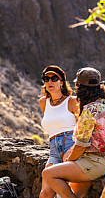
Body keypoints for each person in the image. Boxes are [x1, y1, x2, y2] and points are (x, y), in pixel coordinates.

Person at [42, 67, 105, 198]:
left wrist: (67, 163)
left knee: (48, 174)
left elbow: (81, 145)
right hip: (104, 161)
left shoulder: (89, 110)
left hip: (95, 162)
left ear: (80, 88)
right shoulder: (103, 106)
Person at [39, 65, 79, 198]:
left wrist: (74, 149)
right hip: (54, 150)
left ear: (61, 82)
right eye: (46, 79)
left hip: (70, 146)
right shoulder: (43, 102)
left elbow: (83, 128)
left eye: (54, 78)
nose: (50, 82)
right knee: (45, 193)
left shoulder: (72, 101)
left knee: (63, 193)